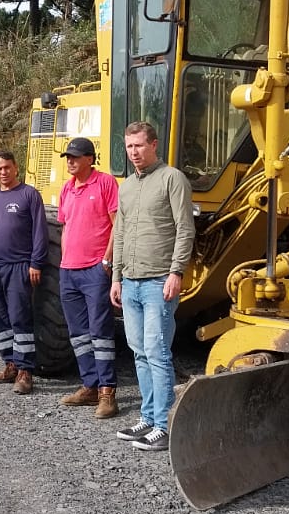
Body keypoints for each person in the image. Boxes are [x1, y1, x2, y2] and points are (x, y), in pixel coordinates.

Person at [110, 120, 195, 452]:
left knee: (158, 353)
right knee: (140, 353)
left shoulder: (172, 179)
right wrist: (116, 278)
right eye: (129, 146)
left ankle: (164, 424)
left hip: (159, 280)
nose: (134, 152)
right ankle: (147, 417)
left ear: (154, 145)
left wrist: (177, 272)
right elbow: (120, 234)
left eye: (139, 146)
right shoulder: (127, 186)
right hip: (130, 282)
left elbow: (184, 229)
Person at [55, 136, 119, 419]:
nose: (70, 161)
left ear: (90, 159)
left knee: (100, 331)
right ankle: (90, 384)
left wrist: (107, 260)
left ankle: (107, 392)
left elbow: (118, 224)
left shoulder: (105, 183)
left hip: (95, 269)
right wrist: (63, 262)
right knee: (78, 333)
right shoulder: (67, 189)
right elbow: (66, 227)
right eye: (68, 157)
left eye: (76, 157)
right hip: (69, 271)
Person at [0, 149, 48, 395]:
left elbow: (40, 233)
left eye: (7, 167)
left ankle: (25, 371)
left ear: (16, 168)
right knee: (0, 318)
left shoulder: (29, 195)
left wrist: (36, 263)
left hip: (19, 266)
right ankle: (9, 364)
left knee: (19, 317)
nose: (3, 172)